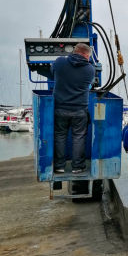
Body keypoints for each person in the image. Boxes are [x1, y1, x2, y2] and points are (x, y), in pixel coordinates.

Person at [51, 42, 95, 174]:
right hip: (79, 110)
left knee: (60, 136)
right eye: (88, 56)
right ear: (85, 55)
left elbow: (52, 72)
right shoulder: (90, 69)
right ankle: (77, 167)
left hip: (60, 108)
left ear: (74, 51)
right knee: (78, 137)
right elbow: (91, 83)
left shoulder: (59, 62)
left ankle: (59, 166)